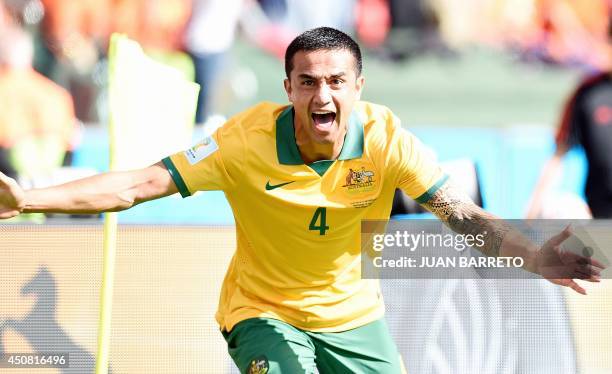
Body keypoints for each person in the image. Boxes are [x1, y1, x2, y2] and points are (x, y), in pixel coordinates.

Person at [0, 27, 602, 373]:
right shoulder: (243, 142)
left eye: (337, 81)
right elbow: (136, 184)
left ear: (358, 88)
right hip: (263, 315)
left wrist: (534, 258)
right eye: (308, 81)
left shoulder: (387, 141)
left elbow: (462, 217)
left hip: (354, 321)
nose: (323, 95)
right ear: (287, 87)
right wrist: (28, 197)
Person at [527, 69, 612, 219]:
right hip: (601, 210)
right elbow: (558, 155)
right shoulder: (588, 93)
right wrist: (530, 218)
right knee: (565, 209)